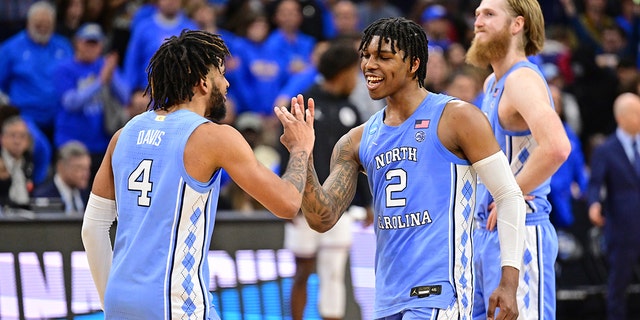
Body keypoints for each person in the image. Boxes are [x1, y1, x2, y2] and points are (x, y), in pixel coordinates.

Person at [288, 17, 527, 319]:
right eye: (366, 56)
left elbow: (508, 195)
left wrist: (509, 282)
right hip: (387, 298)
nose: (369, 65)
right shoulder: (357, 139)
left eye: (384, 57)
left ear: (414, 64)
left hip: (440, 294)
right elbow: (321, 218)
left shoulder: (457, 117)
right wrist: (302, 154)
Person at [80, 30, 315, 319]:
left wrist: (111, 303)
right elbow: (288, 203)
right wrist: (300, 149)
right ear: (203, 82)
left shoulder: (123, 135)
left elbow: (92, 229)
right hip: (177, 303)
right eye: (221, 73)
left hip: (120, 301)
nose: (227, 83)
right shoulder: (214, 138)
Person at [465, 0, 572, 319]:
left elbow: (556, 147)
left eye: (488, 14)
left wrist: (509, 195)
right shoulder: (492, 83)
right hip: (489, 231)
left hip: (521, 227)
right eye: (476, 15)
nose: (477, 22)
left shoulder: (521, 80)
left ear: (517, 25)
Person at [283, 40, 372, 320]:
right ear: (343, 71)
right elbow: (282, 150)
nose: (356, 80)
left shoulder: (352, 111)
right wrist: (287, 196)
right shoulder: (303, 102)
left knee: (333, 273)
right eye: (353, 73)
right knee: (302, 271)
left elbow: (361, 161)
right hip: (302, 201)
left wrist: (367, 201)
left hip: (340, 207)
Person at [54, 23, 130, 182]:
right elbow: (71, 102)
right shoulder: (64, 68)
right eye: (87, 43)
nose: (91, 47)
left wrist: (111, 76)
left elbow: (125, 97)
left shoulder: (105, 66)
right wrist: (100, 82)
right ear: (77, 43)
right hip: (71, 143)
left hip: (100, 144)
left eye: (95, 43)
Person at [587, 92, 640, 320]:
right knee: (618, 284)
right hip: (622, 227)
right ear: (621, 117)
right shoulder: (606, 149)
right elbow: (595, 183)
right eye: (635, 113)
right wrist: (594, 204)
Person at [0, 1, 73, 140]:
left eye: (47, 24)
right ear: (28, 22)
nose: (43, 28)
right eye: (39, 24)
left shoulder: (64, 46)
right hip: (26, 119)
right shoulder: (10, 48)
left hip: (60, 119)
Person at [32, 140, 91, 215]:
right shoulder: (43, 197)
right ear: (61, 167)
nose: (85, 174)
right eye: (79, 168)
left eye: (87, 168)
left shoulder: (88, 195)